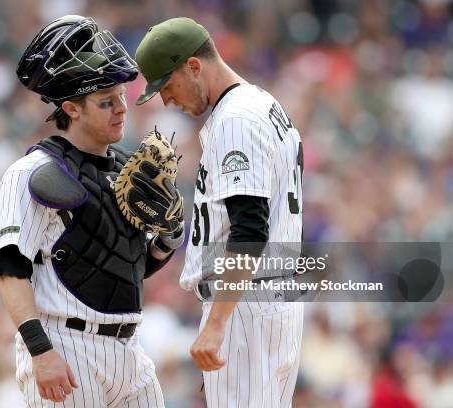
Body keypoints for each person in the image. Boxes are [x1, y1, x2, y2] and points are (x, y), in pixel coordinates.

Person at [0, 15, 184, 407]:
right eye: (105, 102)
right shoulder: (31, 174)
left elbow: (125, 267)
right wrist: (40, 352)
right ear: (71, 108)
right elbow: (10, 270)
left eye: (120, 97)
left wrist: (167, 239)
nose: (121, 108)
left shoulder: (127, 169)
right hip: (65, 345)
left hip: (130, 349)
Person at [135, 17, 304, 407]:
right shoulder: (264, 103)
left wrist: (216, 325)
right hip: (271, 298)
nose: (166, 100)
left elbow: (250, 230)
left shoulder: (235, 119)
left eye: (167, 85)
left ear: (194, 66)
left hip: (245, 304)